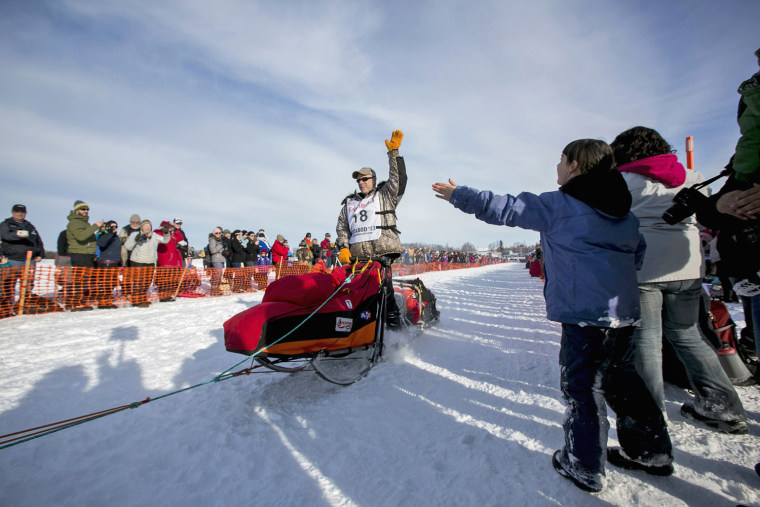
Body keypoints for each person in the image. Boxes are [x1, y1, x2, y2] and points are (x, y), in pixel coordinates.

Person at [433, 139, 673, 493]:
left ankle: (584, 464)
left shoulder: (560, 204)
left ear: (575, 165)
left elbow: (506, 209)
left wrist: (459, 194)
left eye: (560, 160)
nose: (557, 167)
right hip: (621, 314)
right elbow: (636, 253)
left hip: (583, 315)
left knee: (582, 389)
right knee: (624, 382)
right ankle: (650, 450)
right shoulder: (625, 212)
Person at [611, 126, 748, 434]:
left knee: (645, 341)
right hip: (687, 267)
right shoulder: (693, 176)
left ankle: (650, 418)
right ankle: (721, 404)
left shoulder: (622, 181)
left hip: (643, 269)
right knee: (688, 335)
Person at [335, 129, 407, 326]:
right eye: (358, 180)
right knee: (358, 298)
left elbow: (398, 181)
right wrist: (343, 247)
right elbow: (342, 227)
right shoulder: (349, 203)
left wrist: (394, 154)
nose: (361, 182)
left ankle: (395, 330)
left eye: (365, 178)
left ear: (373, 180)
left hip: (381, 256)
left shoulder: (385, 195)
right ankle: (361, 330)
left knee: (385, 293)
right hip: (357, 258)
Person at [0, 204, 45, 317]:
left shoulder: (30, 226)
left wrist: (40, 254)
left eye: (22, 212)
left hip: (29, 260)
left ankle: (24, 305)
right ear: (12, 212)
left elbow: (38, 241)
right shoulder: (6, 224)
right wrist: (18, 234)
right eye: (17, 211)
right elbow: (5, 235)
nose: (20, 214)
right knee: (8, 284)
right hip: (11, 259)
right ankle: (5, 308)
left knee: (28, 284)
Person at [66, 200, 104, 311]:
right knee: (79, 279)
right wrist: (95, 226)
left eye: (87, 209)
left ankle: (81, 301)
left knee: (85, 279)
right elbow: (81, 236)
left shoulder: (84, 223)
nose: (86, 211)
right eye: (83, 209)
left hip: (87, 254)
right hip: (79, 253)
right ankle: (75, 302)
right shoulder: (74, 222)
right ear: (76, 210)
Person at [124, 220, 171, 307]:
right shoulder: (135, 234)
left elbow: (165, 240)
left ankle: (142, 298)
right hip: (138, 261)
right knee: (139, 282)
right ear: (141, 227)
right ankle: (136, 301)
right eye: (145, 226)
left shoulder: (154, 235)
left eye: (149, 226)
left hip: (150, 261)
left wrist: (166, 233)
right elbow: (128, 246)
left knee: (147, 282)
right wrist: (135, 239)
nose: (147, 228)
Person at [95, 220, 121, 308]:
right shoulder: (104, 235)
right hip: (106, 262)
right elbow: (101, 244)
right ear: (107, 227)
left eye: (115, 226)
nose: (113, 228)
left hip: (114, 262)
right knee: (106, 283)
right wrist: (109, 233)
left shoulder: (116, 237)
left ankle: (107, 300)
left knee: (111, 283)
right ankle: (103, 301)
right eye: (111, 226)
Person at [155, 220, 184, 301]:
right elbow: (159, 241)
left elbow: (180, 239)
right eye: (169, 228)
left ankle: (168, 294)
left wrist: (176, 230)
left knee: (170, 279)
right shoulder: (159, 234)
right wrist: (165, 232)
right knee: (164, 279)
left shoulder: (172, 236)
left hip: (172, 261)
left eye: (171, 228)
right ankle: (163, 295)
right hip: (164, 259)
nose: (170, 230)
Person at [207, 227, 226, 295]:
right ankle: (214, 288)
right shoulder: (212, 240)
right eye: (216, 233)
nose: (218, 234)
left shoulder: (220, 240)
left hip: (221, 259)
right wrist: (221, 246)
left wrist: (224, 250)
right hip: (216, 259)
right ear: (214, 234)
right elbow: (213, 250)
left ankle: (217, 288)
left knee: (219, 274)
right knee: (217, 274)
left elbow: (221, 249)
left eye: (219, 233)